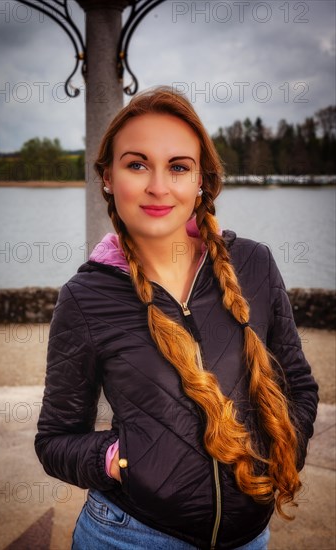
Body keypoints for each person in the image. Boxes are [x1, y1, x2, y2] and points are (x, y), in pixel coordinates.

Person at [35, 86, 319, 550]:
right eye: (137, 164)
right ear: (108, 177)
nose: (158, 187)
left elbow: (300, 388)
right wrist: (121, 460)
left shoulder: (254, 265)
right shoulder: (85, 298)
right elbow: (55, 440)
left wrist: (282, 450)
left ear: (201, 179)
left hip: (250, 539)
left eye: (179, 167)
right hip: (129, 537)